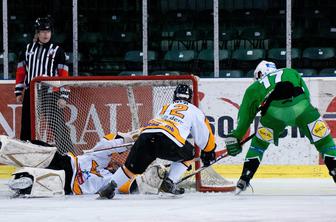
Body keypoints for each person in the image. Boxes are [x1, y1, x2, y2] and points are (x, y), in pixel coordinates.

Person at [224, 60, 336, 194]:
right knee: (324, 142)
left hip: (273, 114)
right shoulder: (290, 71)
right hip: (302, 108)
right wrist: (305, 117)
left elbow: (245, 118)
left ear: (259, 74)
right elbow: (306, 96)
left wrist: (236, 137)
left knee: (258, 145)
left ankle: (244, 178)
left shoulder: (253, 88)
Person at [98, 84, 217, 199]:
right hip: (169, 140)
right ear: (190, 98)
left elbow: (157, 126)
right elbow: (204, 136)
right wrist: (209, 151)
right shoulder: (194, 110)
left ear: (175, 96)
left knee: (131, 168)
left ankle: (109, 187)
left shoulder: (165, 107)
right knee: (190, 153)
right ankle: (169, 182)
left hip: (146, 136)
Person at [0, 130, 140, 197]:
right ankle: (6, 147)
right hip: (67, 163)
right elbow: (107, 143)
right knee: (43, 151)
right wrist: (127, 141)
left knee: (47, 182)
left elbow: (132, 184)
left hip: (69, 185)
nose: (116, 165)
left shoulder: (113, 181)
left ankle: (25, 180)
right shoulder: (102, 158)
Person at [15, 16, 71, 150]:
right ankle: (26, 152)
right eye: (42, 31)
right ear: (37, 33)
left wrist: (63, 96)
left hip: (50, 92)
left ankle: (67, 153)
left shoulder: (58, 50)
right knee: (27, 125)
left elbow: (64, 75)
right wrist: (19, 91)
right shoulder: (28, 49)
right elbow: (21, 71)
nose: (46, 34)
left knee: (57, 124)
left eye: (48, 31)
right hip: (31, 92)